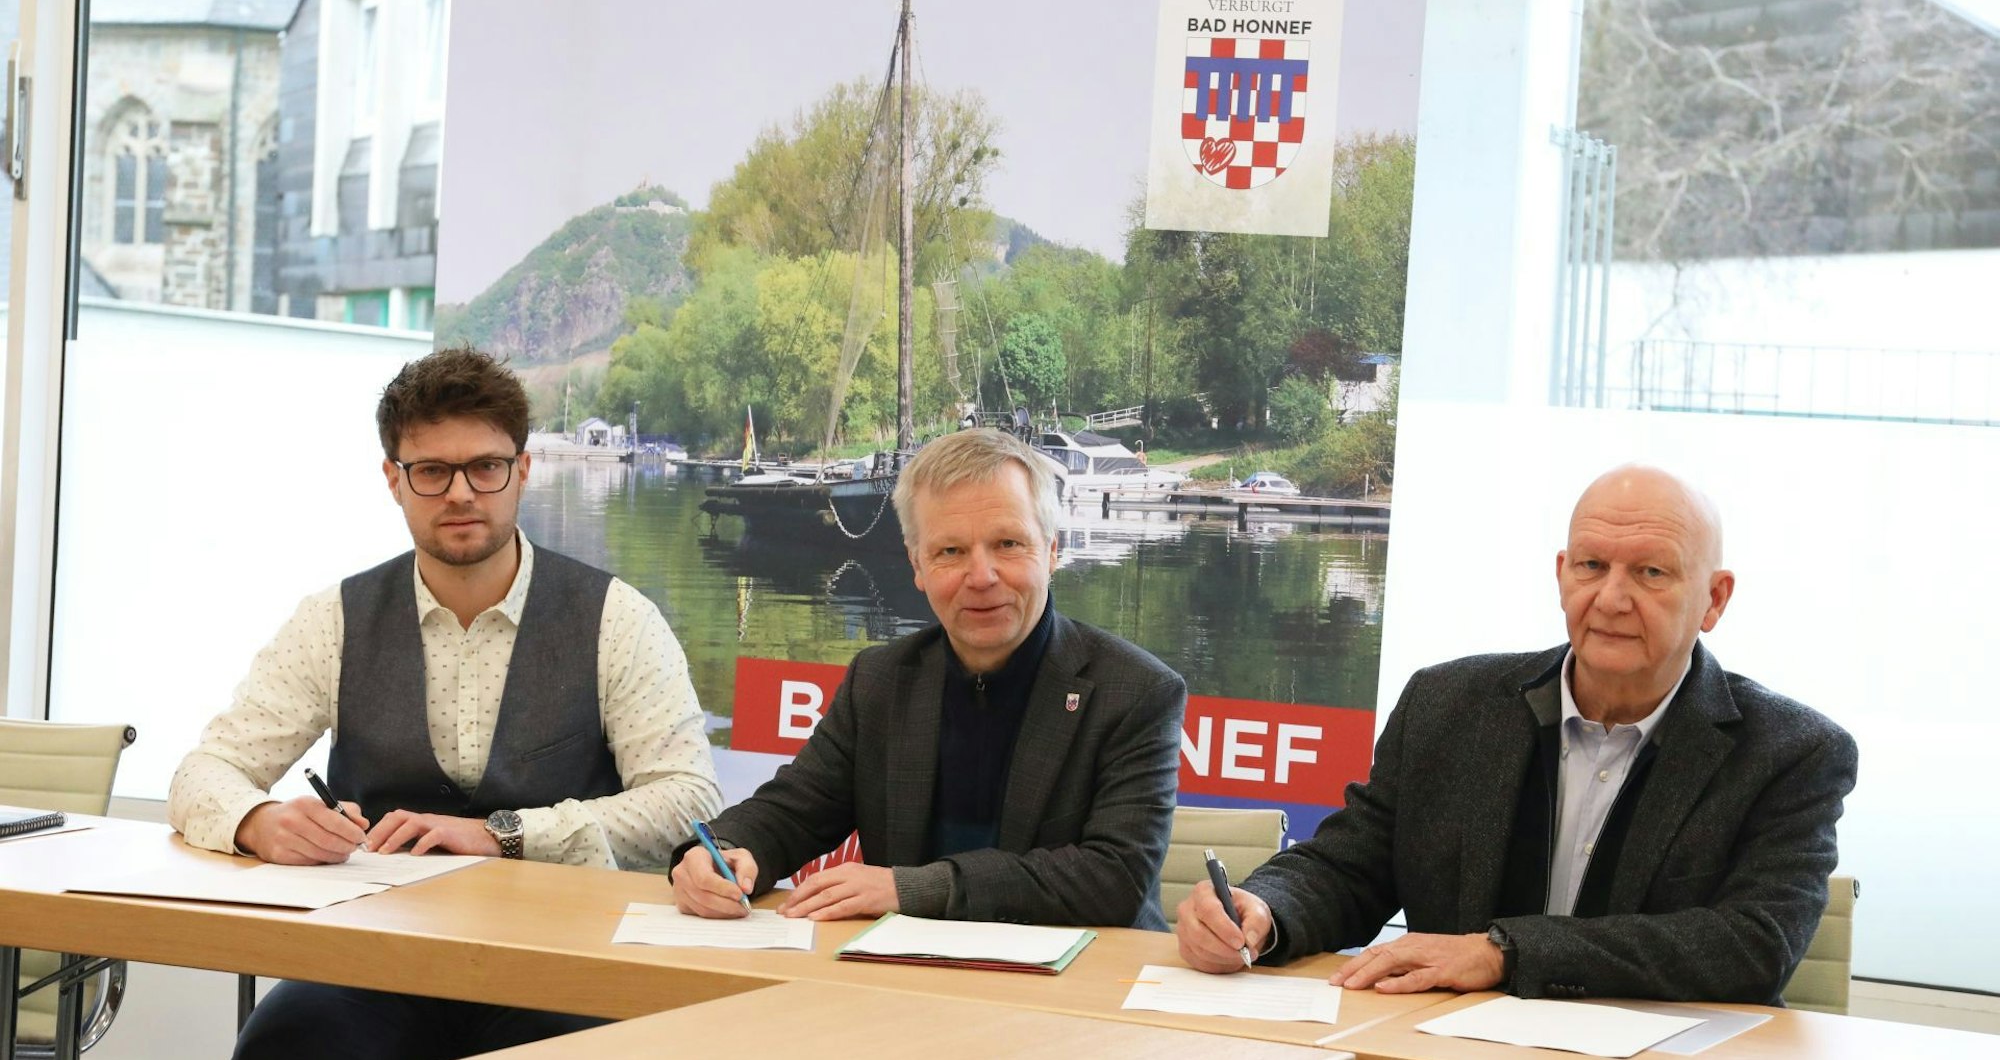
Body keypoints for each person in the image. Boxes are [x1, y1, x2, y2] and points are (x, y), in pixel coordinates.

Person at [168, 348, 722, 1060]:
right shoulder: (334, 619)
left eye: (485, 467)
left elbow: (688, 799)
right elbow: (204, 768)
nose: (461, 493)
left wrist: (507, 834)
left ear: (522, 471)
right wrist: (259, 820)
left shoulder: (618, 617)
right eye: (431, 471)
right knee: (281, 1046)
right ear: (393, 481)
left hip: (564, 960)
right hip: (372, 960)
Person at [1178, 465, 1858, 1005]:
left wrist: (1504, 951)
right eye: (1592, 565)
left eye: (1651, 572)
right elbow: (1352, 865)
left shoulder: (1792, 753)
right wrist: (1264, 909)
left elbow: (1751, 944)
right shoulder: (1448, 704)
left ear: (1714, 598)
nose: (1613, 598)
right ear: (1562, 573)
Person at [670, 427, 1186, 929]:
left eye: (1008, 544)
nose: (981, 577)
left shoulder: (1137, 692)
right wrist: (721, 852)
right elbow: (794, 811)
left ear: (1052, 551)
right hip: (906, 982)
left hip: (1080, 991)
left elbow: (1114, 879)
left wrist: (910, 888)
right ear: (917, 565)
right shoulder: (879, 681)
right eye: (950, 552)